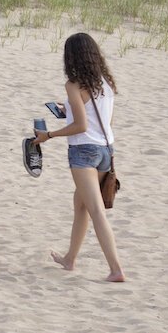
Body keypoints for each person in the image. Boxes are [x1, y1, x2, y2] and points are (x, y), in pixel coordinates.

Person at [35, 32, 127, 282]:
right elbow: (104, 120)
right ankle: (70, 259)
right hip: (106, 150)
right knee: (81, 204)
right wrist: (69, 111)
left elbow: (81, 127)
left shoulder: (74, 85)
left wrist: (49, 135)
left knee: (96, 210)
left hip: (84, 151)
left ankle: (116, 269)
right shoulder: (106, 82)